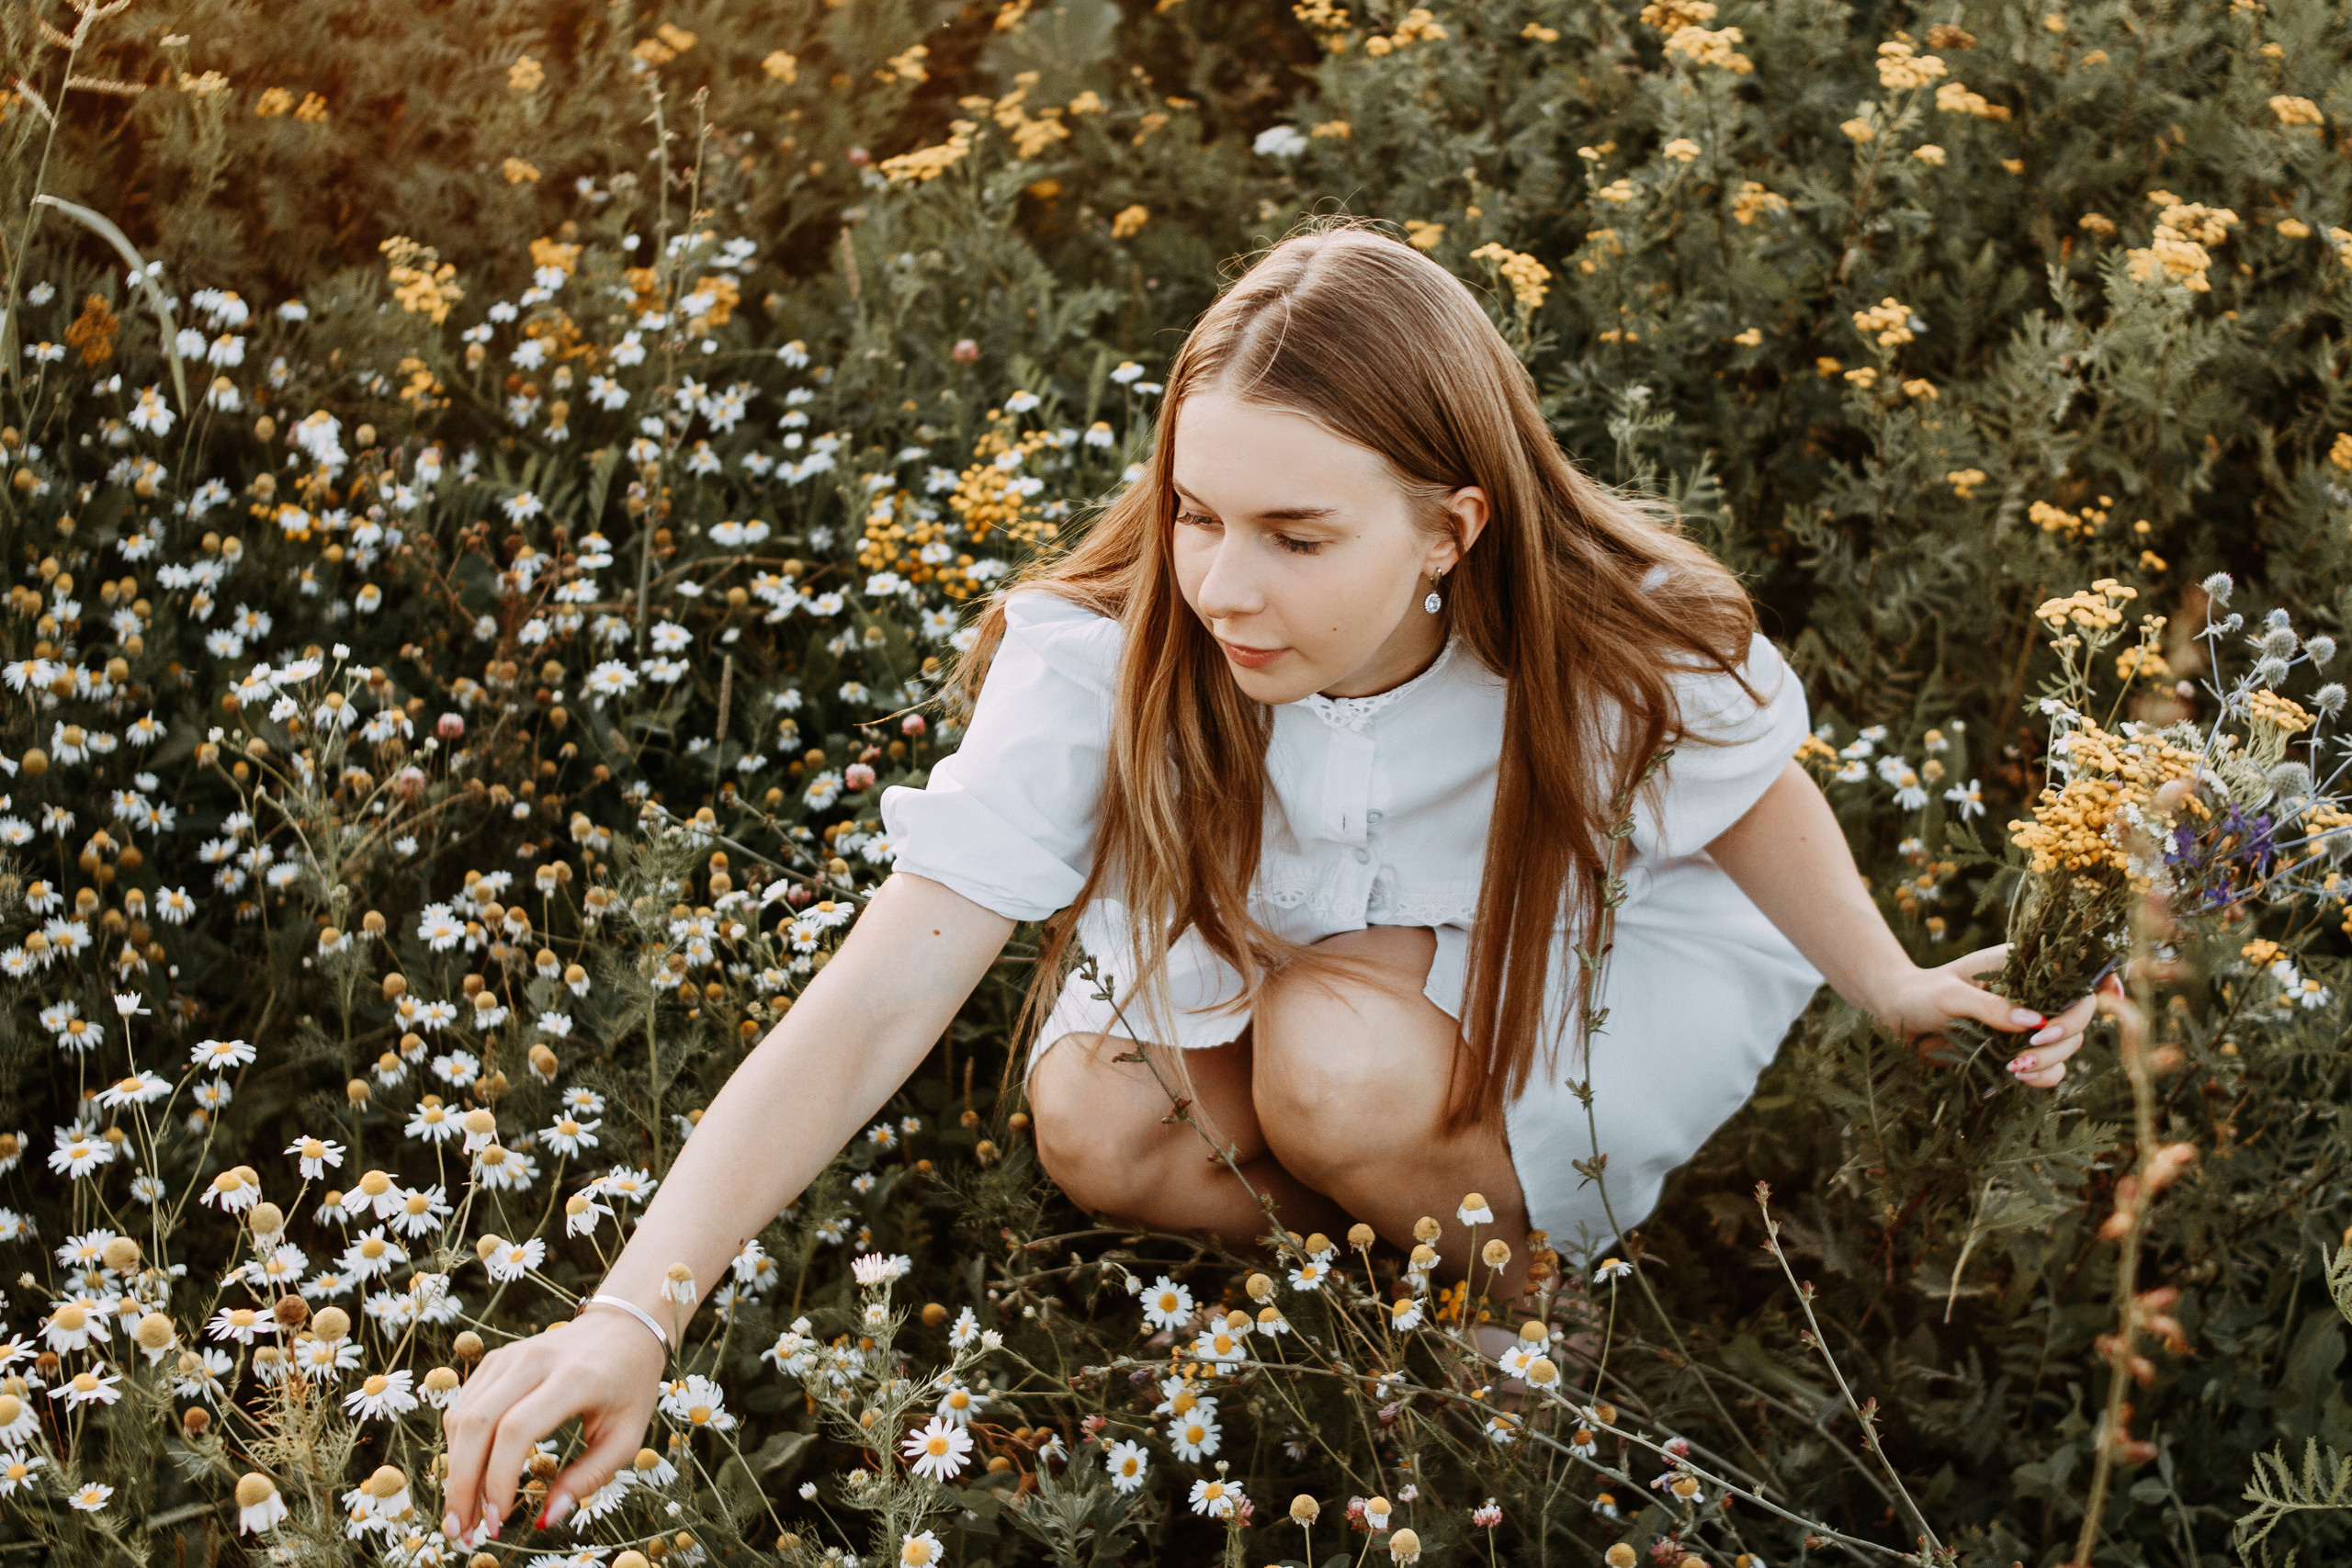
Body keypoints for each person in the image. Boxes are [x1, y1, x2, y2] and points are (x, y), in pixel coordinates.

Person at [436, 220, 2104, 1540]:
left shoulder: (1595, 635)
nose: (1226, 585)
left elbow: (1749, 798)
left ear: (1449, 529)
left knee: (1328, 1055)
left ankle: (1509, 1286)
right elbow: (877, 997)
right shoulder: (1107, 656)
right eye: (1196, 513)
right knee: (1089, 1117)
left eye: (1299, 537)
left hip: (1584, 953)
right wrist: (630, 1318)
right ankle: (1377, 1220)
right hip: (1308, 949)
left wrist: (1887, 980)